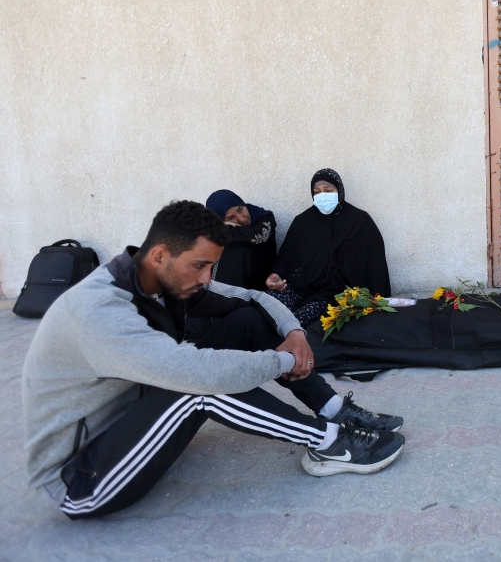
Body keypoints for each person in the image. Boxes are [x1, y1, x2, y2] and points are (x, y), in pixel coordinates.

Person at [22, 201, 405, 520]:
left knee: (245, 319)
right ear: (160, 255)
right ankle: (330, 442)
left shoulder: (159, 278)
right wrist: (283, 362)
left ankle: (335, 409)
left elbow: (251, 297)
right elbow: (197, 373)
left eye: (211, 267)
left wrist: (295, 334)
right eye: (200, 265)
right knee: (197, 387)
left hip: (131, 417)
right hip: (83, 477)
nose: (207, 278)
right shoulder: (98, 311)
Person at [266, 169, 391, 326]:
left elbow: (374, 265)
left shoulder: (359, 222)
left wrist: (377, 301)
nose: (322, 195)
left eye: (328, 190)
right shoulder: (303, 222)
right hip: (301, 287)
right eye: (316, 192)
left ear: (340, 190)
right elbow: (287, 256)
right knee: (267, 308)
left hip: (338, 294)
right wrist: (276, 275)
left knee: (296, 322)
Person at [205, 189, 277, 290]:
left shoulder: (264, 217)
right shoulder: (212, 228)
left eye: (240, 209)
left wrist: (228, 229)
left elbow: (256, 235)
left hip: (263, 278)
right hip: (231, 278)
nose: (241, 219)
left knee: (240, 250)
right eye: (231, 218)